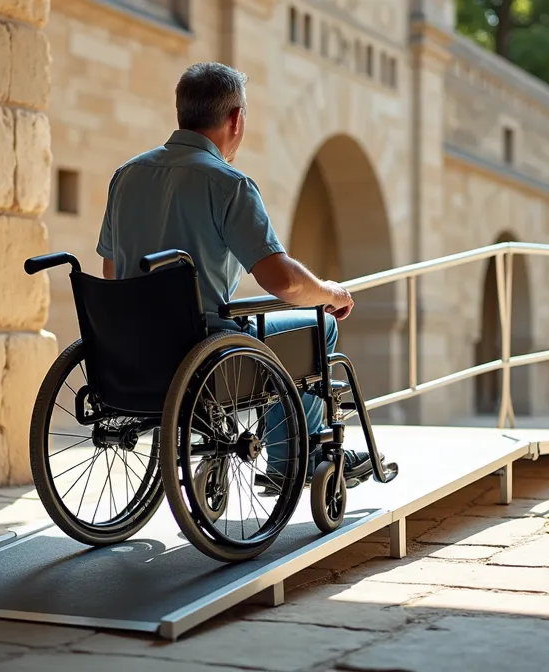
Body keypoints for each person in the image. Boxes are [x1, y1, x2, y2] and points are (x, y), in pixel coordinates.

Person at [95, 61, 375, 488]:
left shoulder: (127, 175)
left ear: (182, 112)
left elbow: (112, 272)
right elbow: (282, 281)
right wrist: (329, 292)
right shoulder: (229, 184)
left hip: (130, 348)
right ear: (235, 119)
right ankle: (298, 457)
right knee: (318, 327)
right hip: (205, 349)